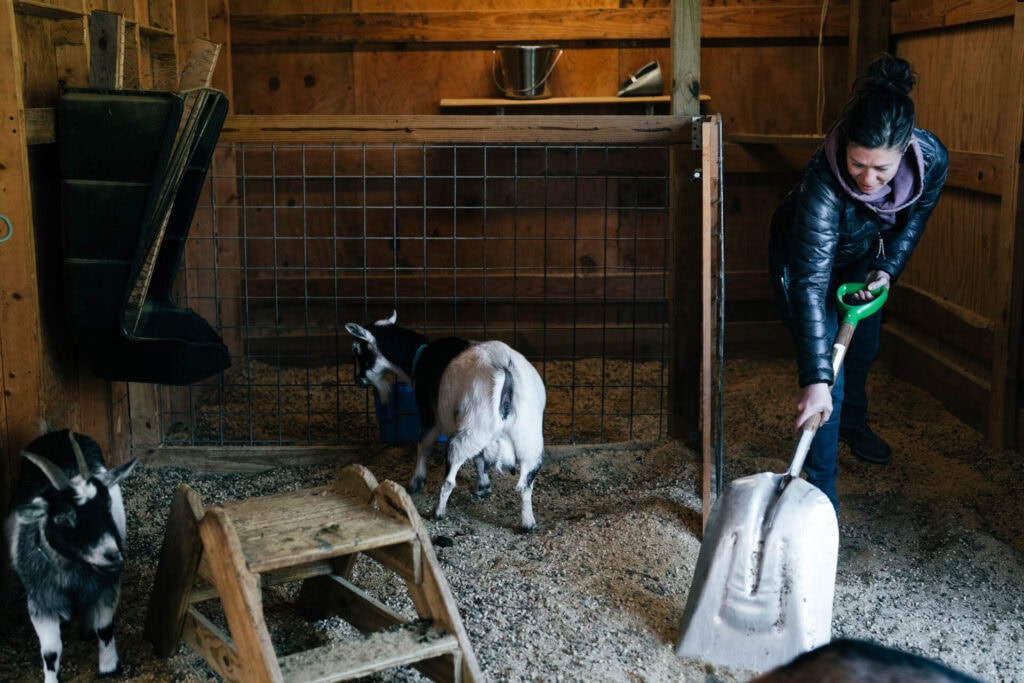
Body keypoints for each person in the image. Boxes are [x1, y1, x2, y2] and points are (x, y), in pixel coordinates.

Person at [768, 54, 948, 513]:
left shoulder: (932, 158)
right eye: (857, 164)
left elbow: (912, 220)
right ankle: (821, 491)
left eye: (881, 170)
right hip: (806, 262)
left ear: (906, 147)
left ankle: (853, 425)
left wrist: (888, 268)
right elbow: (809, 281)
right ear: (845, 145)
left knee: (864, 346)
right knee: (831, 379)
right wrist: (814, 380)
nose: (868, 179)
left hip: (865, 254)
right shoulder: (822, 185)